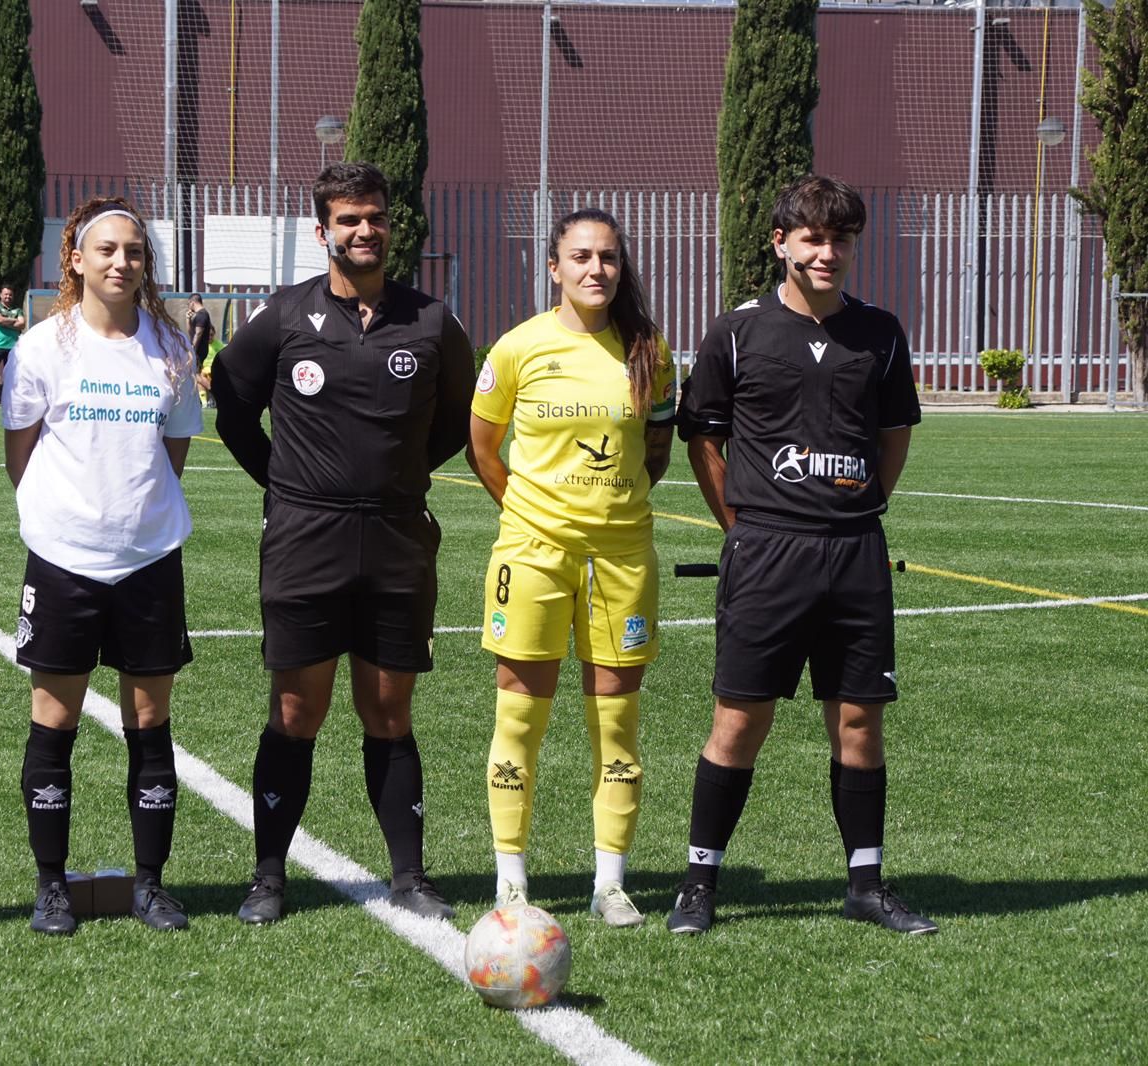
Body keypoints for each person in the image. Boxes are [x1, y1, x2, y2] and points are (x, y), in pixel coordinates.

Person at [667, 174, 935, 936]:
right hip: (767, 554)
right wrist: (739, 525)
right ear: (780, 243)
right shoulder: (737, 332)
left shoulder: (880, 333)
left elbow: (893, 434)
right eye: (813, 238)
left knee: (858, 722)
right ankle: (699, 884)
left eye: (840, 239)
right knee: (739, 721)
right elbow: (703, 436)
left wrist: (860, 504)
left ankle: (866, 885)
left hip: (854, 553)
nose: (828, 252)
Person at [212, 162, 475, 924]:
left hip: (397, 539)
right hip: (305, 538)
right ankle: (267, 877)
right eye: (350, 220)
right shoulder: (285, 316)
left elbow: (461, 419)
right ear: (322, 230)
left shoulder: (431, 322)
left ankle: (410, 875)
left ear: (391, 226)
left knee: (389, 709)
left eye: (376, 218)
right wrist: (283, 482)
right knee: (296, 710)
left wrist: (400, 475)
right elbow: (231, 406)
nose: (365, 231)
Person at [467, 209, 676, 927]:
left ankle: (610, 883)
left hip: (621, 557)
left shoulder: (650, 351)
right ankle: (511, 881)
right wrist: (533, 514)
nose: (597, 270)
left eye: (609, 258)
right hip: (532, 555)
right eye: (581, 257)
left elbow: (656, 450)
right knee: (520, 716)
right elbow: (484, 448)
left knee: (616, 725)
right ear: (553, 267)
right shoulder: (518, 349)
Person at [3, 196, 203, 935]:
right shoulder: (41, 349)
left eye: (136, 252)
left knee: (150, 724)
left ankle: (150, 884)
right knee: (53, 723)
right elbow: (19, 459)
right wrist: (71, 522)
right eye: (108, 250)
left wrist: (133, 519)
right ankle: (51, 884)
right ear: (77, 260)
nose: (123, 262)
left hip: (149, 560)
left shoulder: (171, 349)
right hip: (63, 561)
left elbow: (170, 455)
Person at [186, 293, 214, 407]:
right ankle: (195, 399)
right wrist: (188, 319)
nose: (189, 307)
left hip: (199, 350)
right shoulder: (197, 315)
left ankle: (215, 391)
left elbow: (198, 333)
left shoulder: (202, 314)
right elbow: (191, 332)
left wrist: (192, 348)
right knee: (192, 373)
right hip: (196, 349)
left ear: (193, 302)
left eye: (189, 304)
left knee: (195, 374)